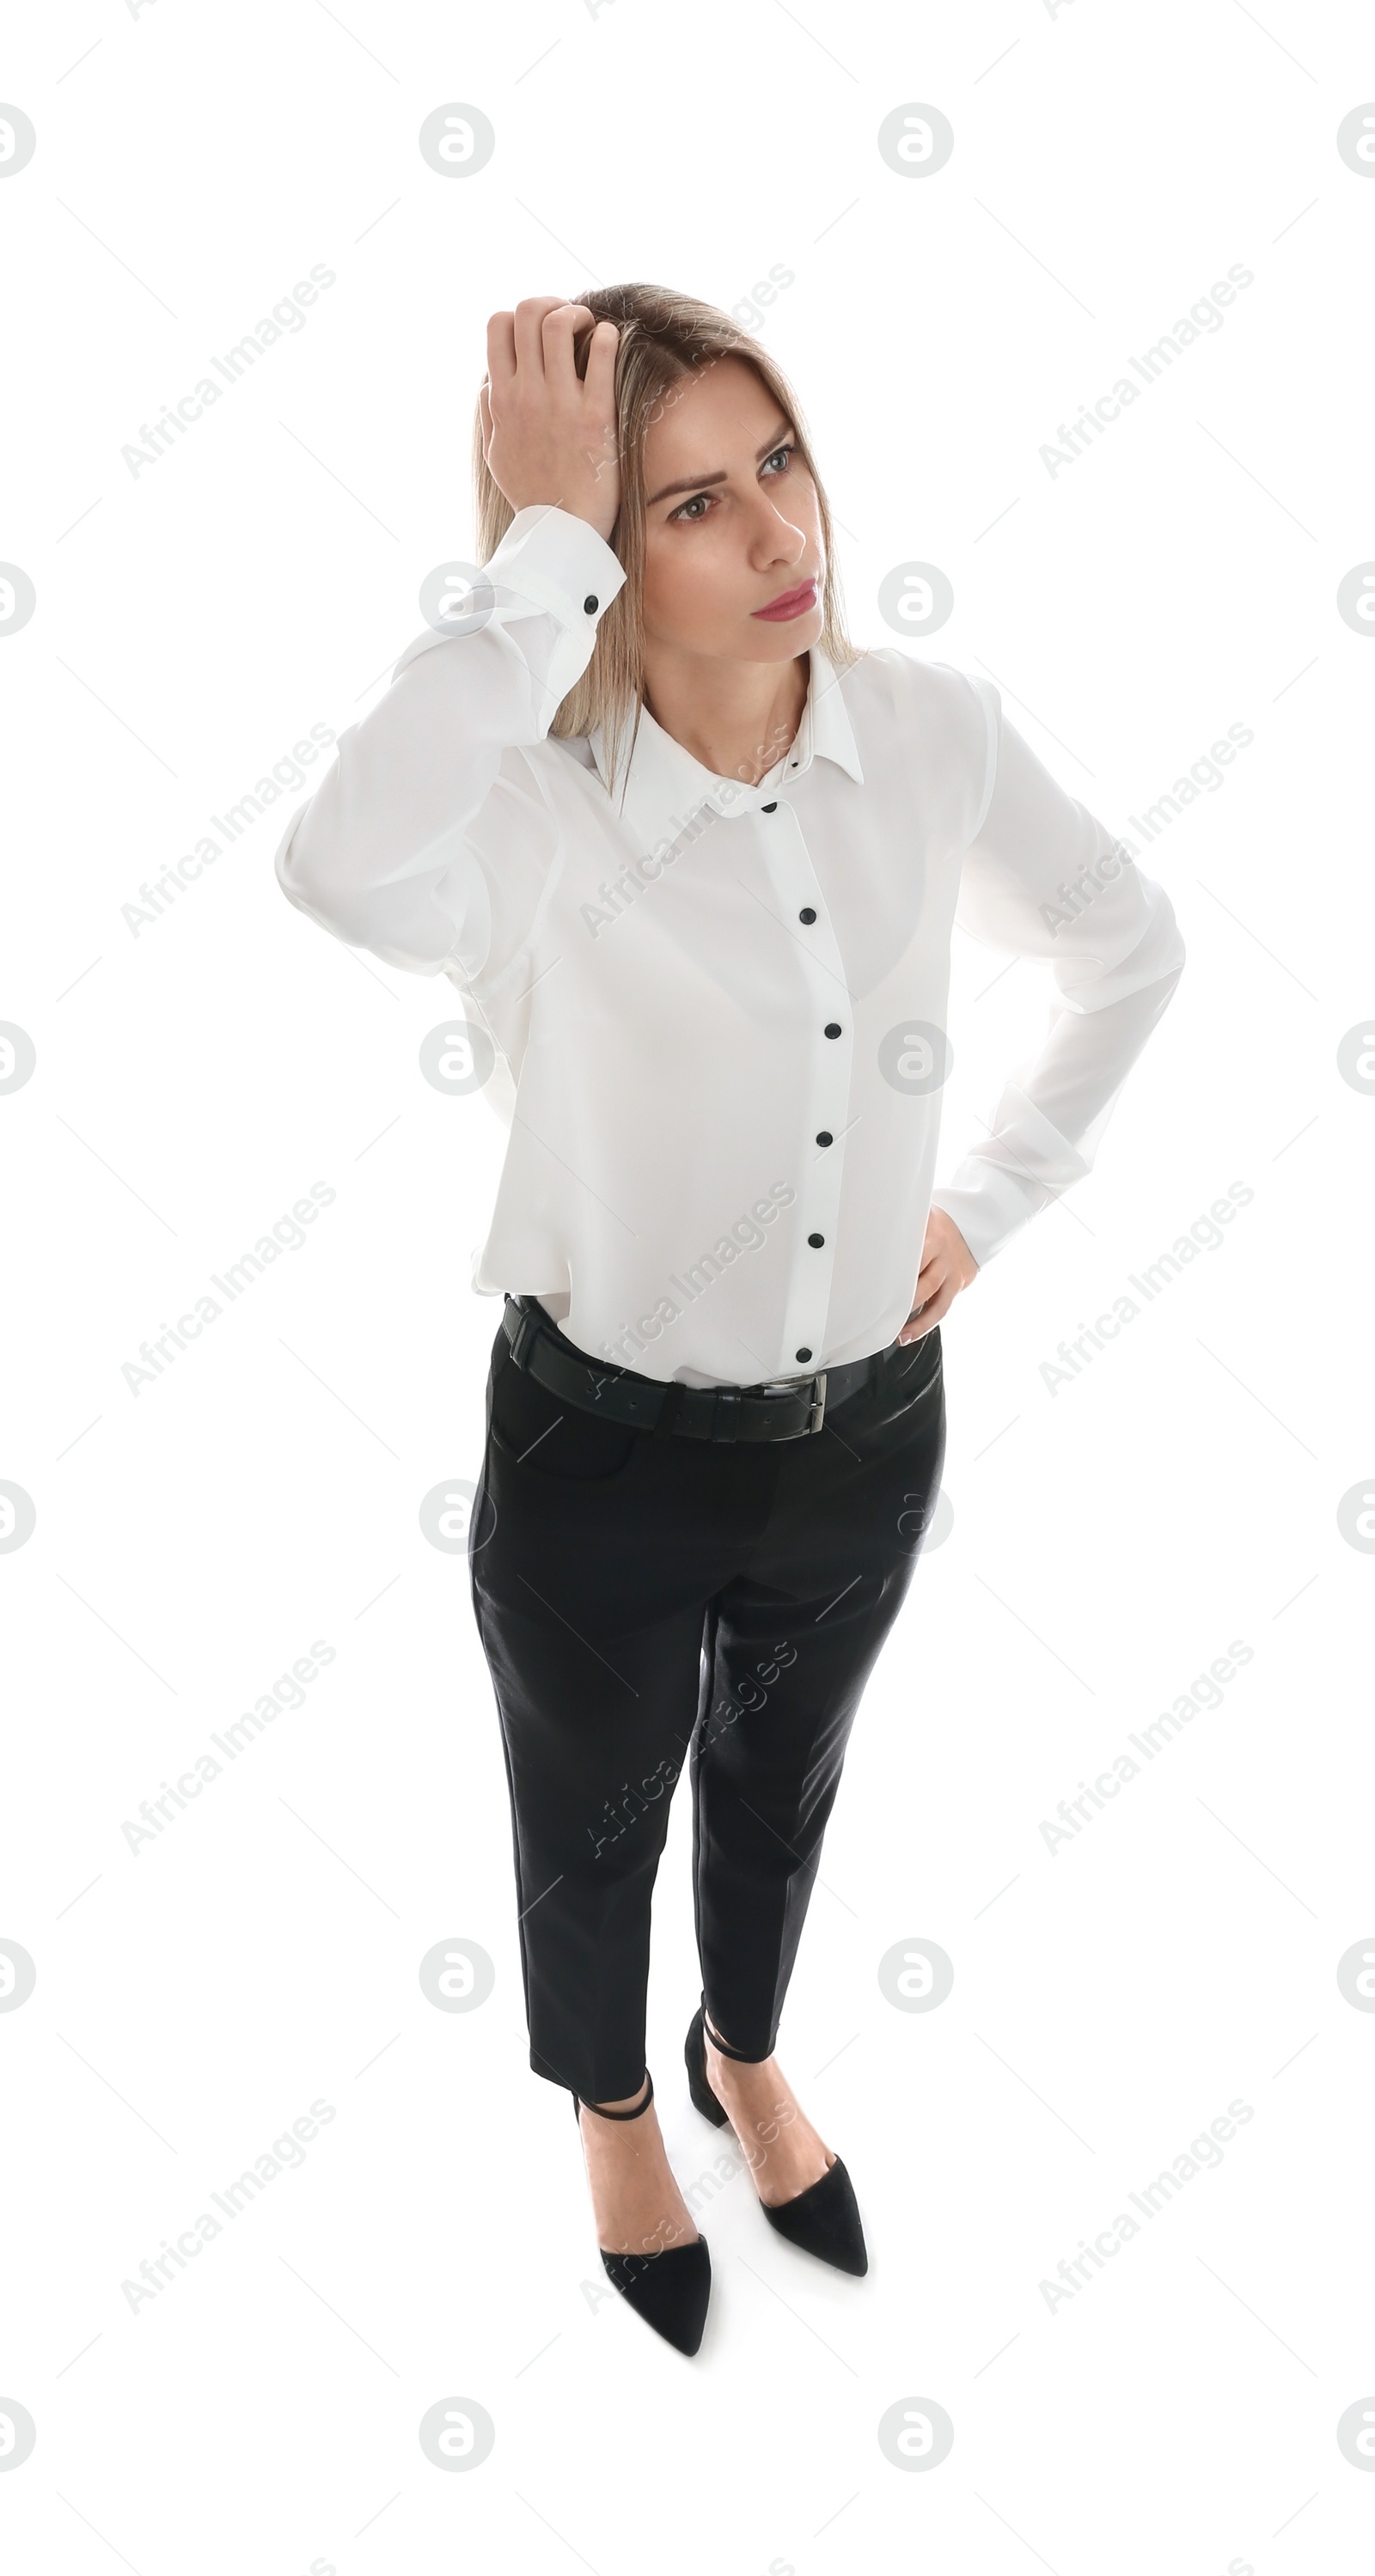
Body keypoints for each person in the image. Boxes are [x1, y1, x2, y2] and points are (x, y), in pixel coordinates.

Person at [273, 284, 1185, 2357]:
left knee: (782, 1782)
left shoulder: (931, 734)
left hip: (867, 1428)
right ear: (600, 548)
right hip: (599, 1450)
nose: (781, 536)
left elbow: (1128, 948)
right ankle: (612, 2104)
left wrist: (995, 1200)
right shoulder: (525, 813)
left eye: (779, 465)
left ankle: (741, 2052)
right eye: (688, 503)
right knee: (586, 1804)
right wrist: (529, 560)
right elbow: (335, 868)